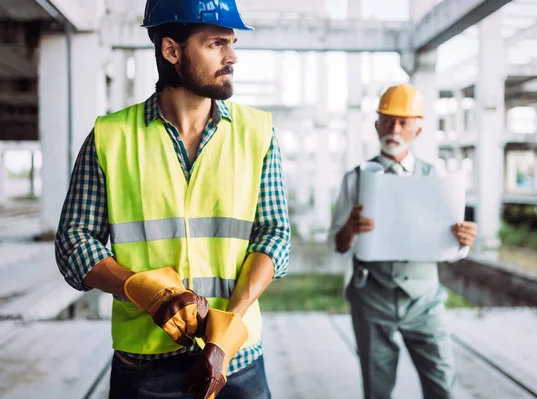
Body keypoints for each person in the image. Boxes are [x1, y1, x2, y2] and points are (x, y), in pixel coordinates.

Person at [55, 1, 290, 398]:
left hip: (238, 361)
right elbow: (73, 243)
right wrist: (146, 293)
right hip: (145, 365)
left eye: (231, 44)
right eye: (217, 43)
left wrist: (227, 330)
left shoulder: (258, 133)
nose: (232, 57)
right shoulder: (111, 137)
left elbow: (275, 235)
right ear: (172, 51)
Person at [328, 84, 478, 399]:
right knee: (377, 388)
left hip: (424, 300)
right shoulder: (355, 179)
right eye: (387, 120)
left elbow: (451, 247)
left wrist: (463, 241)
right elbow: (336, 244)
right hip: (372, 299)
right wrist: (350, 230)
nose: (394, 128)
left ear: (418, 129)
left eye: (403, 122)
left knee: (442, 386)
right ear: (376, 124)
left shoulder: (437, 178)